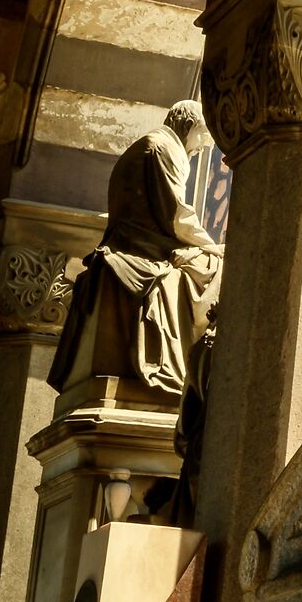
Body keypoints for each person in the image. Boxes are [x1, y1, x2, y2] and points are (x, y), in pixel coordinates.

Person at [48, 99, 221, 400]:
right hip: (143, 245)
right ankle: (201, 373)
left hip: (139, 238)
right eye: (203, 135)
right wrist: (213, 247)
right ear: (189, 125)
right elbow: (176, 216)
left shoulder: (156, 143)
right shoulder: (165, 148)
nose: (204, 145)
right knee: (216, 269)